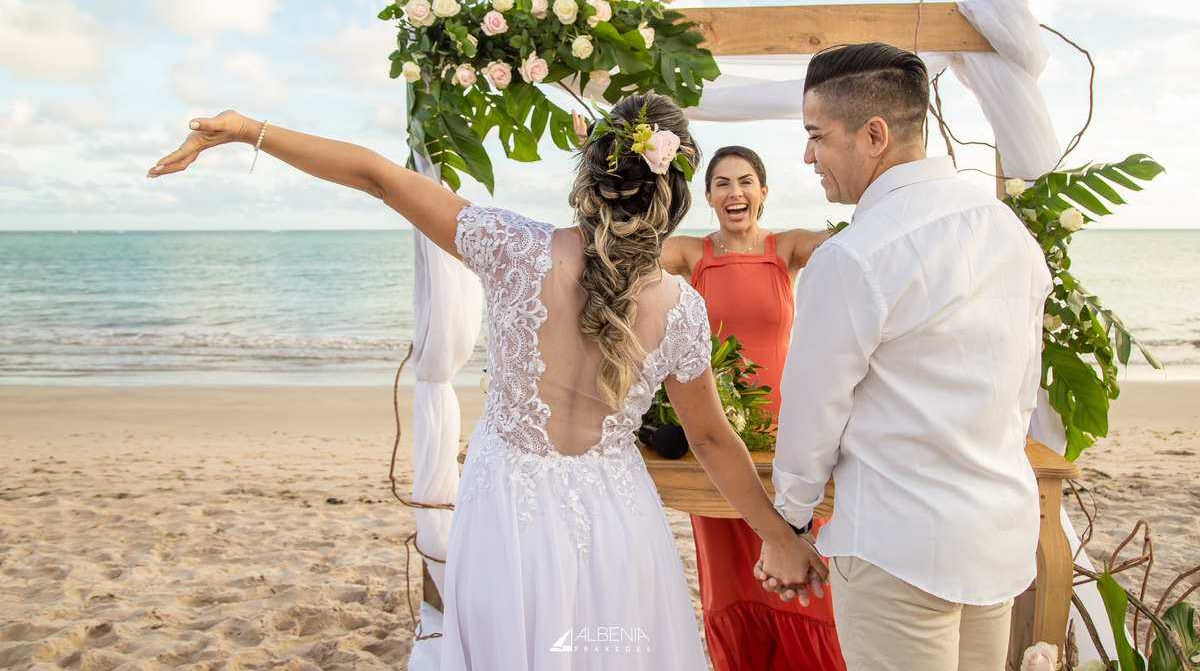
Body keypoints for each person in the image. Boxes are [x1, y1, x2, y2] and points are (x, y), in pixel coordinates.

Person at [147, 92, 828, 670]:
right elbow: (711, 441)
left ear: (592, 172)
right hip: (617, 518)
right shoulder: (681, 308)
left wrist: (246, 130)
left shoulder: (513, 247)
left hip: (509, 509)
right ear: (674, 193)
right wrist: (778, 535)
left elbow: (377, 176)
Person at [763, 44, 1052, 671]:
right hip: (996, 536)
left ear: (874, 135)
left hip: (898, 547)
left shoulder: (855, 255)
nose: (807, 155)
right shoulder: (1010, 231)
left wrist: (788, 525)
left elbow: (813, 412)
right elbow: (1020, 394)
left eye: (816, 135)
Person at [659, 148, 843, 671]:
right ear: (708, 196)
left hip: (789, 432)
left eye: (745, 181)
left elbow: (854, 239)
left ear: (763, 192)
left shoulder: (786, 248)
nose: (734, 192)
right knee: (729, 574)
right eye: (721, 183)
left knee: (808, 562)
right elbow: (622, 254)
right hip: (715, 433)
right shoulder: (690, 254)